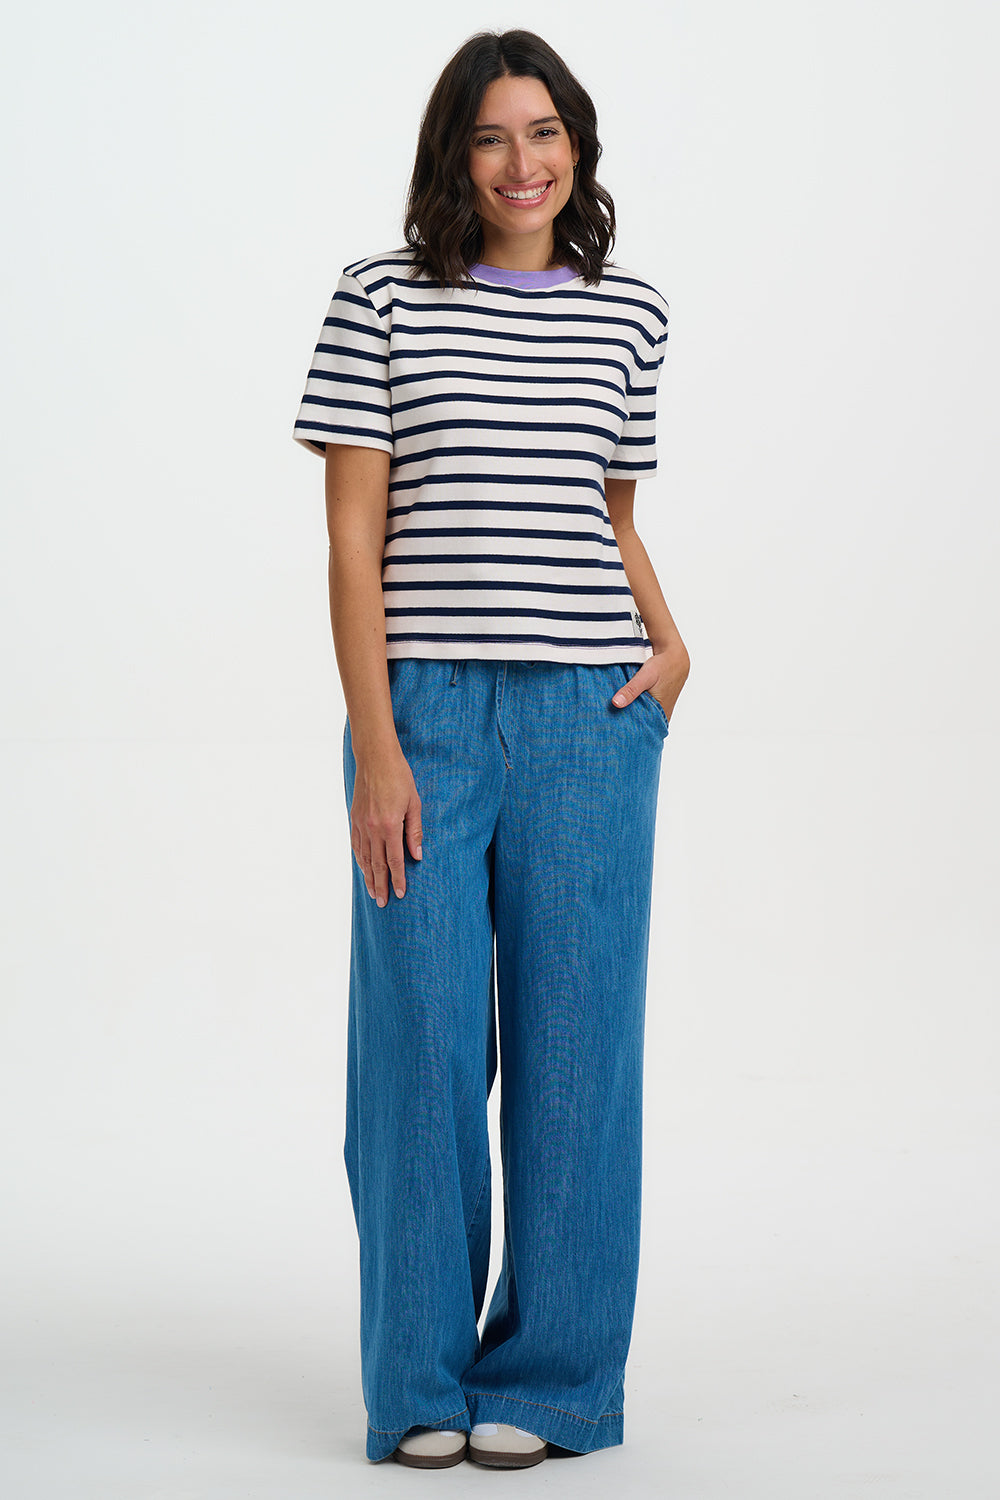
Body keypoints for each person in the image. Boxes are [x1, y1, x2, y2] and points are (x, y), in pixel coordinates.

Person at [292, 27, 690, 1471]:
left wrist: (670, 640)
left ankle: (562, 1381)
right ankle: (416, 1381)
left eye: (546, 134)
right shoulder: (381, 301)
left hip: (593, 707)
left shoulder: (628, 313)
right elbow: (352, 542)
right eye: (492, 137)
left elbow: (609, 516)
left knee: (582, 1052)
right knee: (418, 1041)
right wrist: (381, 748)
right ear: (452, 156)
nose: (523, 163)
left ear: (575, 149)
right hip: (430, 718)